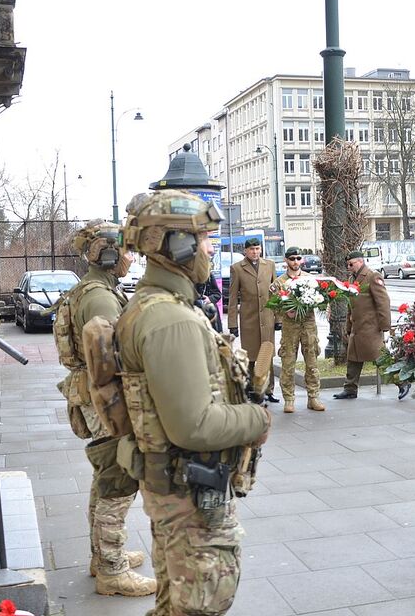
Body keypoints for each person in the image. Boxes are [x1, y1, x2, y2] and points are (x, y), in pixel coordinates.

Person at [117, 190, 272, 615]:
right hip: (189, 494)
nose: (210, 248)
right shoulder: (170, 318)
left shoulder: (161, 306)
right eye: (203, 238)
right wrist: (255, 419)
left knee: (175, 603)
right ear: (175, 244)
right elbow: (193, 425)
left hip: (174, 486)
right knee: (201, 603)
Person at [52, 221, 156, 597]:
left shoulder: (95, 289)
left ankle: (103, 556)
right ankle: (111, 569)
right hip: (107, 398)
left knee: (105, 475)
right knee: (119, 478)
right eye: (126, 251)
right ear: (108, 254)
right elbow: (113, 358)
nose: (131, 258)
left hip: (93, 394)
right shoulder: (100, 298)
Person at [271, 247, 326, 413]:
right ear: (286, 261)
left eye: (298, 258)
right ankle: (289, 399)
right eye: (292, 258)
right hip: (290, 326)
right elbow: (273, 305)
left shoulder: (310, 279)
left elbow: (320, 300)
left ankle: (313, 397)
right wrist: (285, 311)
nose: (295, 262)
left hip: (308, 324)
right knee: (288, 363)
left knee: (312, 361)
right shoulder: (279, 282)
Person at [227, 237, 279, 402]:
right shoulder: (237, 268)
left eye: (257, 249)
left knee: (267, 354)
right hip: (249, 319)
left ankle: (269, 390)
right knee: (250, 356)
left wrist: (278, 318)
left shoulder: (269, 265)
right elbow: (233, 298)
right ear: (246, 251)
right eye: (251, 249)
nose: (255, 252)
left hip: (268, 317)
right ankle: (251, 388)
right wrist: (232, 323)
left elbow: (276, 293)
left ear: (261, 250)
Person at [336, 250, 391, 399]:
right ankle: (350, 388)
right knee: (353, 359)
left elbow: (383, 302)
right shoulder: (352, 279)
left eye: (351, 264)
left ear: (360, 262)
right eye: (347, 264)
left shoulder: (373, 277)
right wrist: (348, 325)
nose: (349, 267)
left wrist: (385, 325)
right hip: (357, 328)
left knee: (380, 358)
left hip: (370, 328)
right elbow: (350, 304)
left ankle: (402, 383)